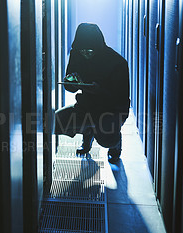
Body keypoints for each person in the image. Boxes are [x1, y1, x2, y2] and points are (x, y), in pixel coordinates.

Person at [55, 23, 130, 163]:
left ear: (98, 47)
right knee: (54, 123)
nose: (85, 54)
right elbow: (70, 87)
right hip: (86, 106)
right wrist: (71, 83)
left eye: (89, 51)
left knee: (106, 137)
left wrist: (99, 91)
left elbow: (121, 100)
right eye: (81, 51)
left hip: (111, 110)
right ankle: (88, 131)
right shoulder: (76, 54)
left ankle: (114, 142)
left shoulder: (118, 63)